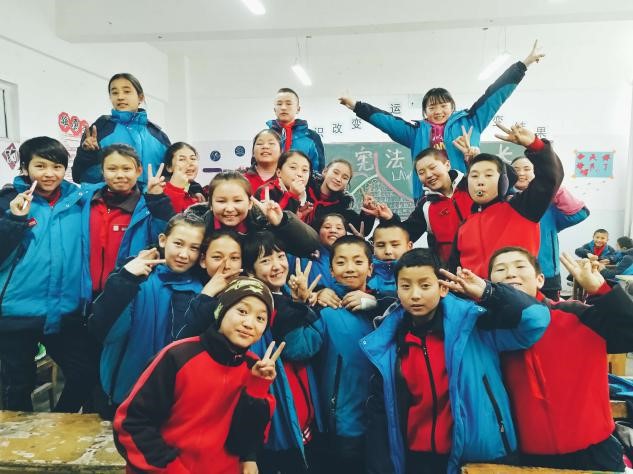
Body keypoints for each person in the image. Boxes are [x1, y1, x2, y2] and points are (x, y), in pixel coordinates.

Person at [361, 248, 550, 474]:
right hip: (417, 459)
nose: (415, 295)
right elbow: (381, 409)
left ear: (443, 288)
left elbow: (535, 321)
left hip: (479, 454)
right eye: (406, 286)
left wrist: (488, 291)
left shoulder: (475, 322)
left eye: (425, 285)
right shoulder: (388, 340)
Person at [485, 246, 633, 471]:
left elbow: (628, 334)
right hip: (528, 458)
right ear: (490, 283)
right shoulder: (489, 331)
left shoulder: (575, 314)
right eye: (500, 269)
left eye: (519, 266)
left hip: (595, 451)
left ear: (540, 280)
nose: (510, 273)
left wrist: (602, 290)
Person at [113, 276, 280, 474]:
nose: (249, 323)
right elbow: (130, 423)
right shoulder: (178, 356)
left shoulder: (254, 367)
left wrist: (257, 387)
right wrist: (171, 469)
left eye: (260, 318)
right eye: (242, 311)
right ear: (221, 311)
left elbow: (246, 439)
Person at [338, 42, 544, 200]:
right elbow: (386, 121)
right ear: (425, 112)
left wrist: (522, 65)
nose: (438, 111)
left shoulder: (471, 122)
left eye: (443, 105)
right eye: (432, 107)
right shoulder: (416, 133)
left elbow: (494, 95)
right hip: (429, 197)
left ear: (452, 107)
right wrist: (356, 106)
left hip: (468, 193)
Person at [277, 235, 396, 474]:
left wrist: (377, 302)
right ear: (331, 271)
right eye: (341, 262)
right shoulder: (326, 310)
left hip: (391, 421)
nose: (350, 268)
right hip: (345, 424)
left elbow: (413, 309)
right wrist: (300, 306)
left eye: (358, 261)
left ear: (370, 268)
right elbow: (296, 349)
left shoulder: (390, 306)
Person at [0, 137, 96, 412]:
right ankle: (19, 439)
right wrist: (14, 220)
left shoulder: (78, 201)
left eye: (57, 166)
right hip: (16, 312)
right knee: (18, 385)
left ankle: (57, 424)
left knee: (84, 374)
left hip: (65, 310)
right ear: (25, 168)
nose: (49, 174)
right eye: (40, 166)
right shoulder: (7, 202)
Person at [89, 213, 205, 414]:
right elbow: (103, 331)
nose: (184, 255)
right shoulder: (136, 278)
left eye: (194, 248)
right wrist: (125, 279)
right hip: (125, 393)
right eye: (178, 244)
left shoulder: (201, 292)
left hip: (173, 401)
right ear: (163, 240)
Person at [451, 123, 563, 278]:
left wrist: (535, 144)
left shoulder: (521, 208)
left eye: (488, 175)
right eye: (474, 176)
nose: (480, 181)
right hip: (474, 294)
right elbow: (454, 270)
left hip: (517, 292)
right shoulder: (464, 226)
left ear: (503, 181)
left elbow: (550, 178)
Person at [82, 144, 174, 295]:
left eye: (126, 169)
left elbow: (165, 239)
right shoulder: (85, 200)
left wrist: (157, 200)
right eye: (112, 169)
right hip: (86, 293)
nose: (119, 175)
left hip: (130, 292)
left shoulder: (148, 206)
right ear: (102, 171)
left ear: (138, 171)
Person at [366, 146, 473, 264]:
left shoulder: (471, 187)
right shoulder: (425, 206)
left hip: (484, 267)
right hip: (450, 272)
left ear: (447, 165)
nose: (428, 175)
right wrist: (390, 219)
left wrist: (474, 159)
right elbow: (406, 234)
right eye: (421, 172)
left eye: (432, 167)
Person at [191, 170, 321, 258]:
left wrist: (282, 221)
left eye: (237, 200)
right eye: (221, 201)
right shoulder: (197, 228)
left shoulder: (263, 222)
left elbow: (311, 245)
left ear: (250, 203)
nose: (229, 208)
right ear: (211, 205)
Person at [511, 155, 589, 299]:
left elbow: (579, 214)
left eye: (527, 169)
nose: (521, 173)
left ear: (536, 173)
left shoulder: (550, 204)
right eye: (516, 169)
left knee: (549, 311)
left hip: (547, 274)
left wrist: (553, 187)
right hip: (511, 273)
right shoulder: (504, 201)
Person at [72, 73, 170, 185]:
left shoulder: (159, 137)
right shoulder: (100, 130)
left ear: (140, 97)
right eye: (114, 93)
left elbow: (173, 175)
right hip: (110, 196)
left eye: (127, 91)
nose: (120, 97)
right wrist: (88, 155)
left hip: (153, 196)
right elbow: (80, 177)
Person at [267, 88, 325, 172]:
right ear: (274, 110)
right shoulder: (266, 137)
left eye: (288, 103)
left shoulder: (312, 137)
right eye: (279, 104)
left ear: (298, 109)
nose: (283, 107)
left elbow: (319, 171)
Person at [255, 150, 312, 215]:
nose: (299, 174)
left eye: (304, 170)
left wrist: (300, 217)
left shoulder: (308, 195)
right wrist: (292, 195)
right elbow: (274, 219)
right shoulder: (266, 191)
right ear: (279, 172)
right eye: (293, 167)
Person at [367, 221, 413, 296]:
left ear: (409, 246)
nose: (388, 251)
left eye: (395, 245)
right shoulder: (365, 274)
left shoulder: (420, 273)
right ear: (373, 247)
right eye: (381, 245)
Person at [162, 142, 206, 212]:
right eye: (182, 159)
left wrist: (196, 192)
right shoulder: (162, 194)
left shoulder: (190, 189)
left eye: (193, 158)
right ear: (169, 167)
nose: (190, 163)